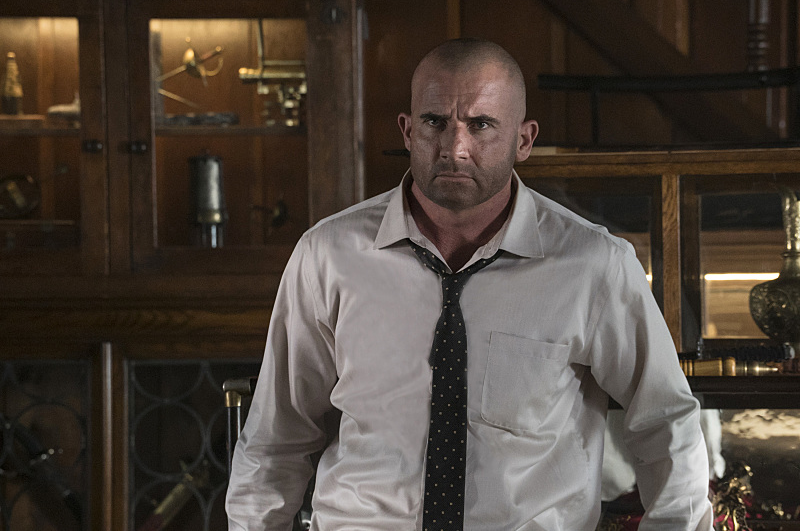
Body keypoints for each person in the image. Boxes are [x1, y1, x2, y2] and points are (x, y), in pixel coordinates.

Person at [226, 38, 714, 530]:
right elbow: (276, 440)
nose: (454, 148)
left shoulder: (593, 265)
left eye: (480, 124)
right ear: (407, 130)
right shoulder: (328, 255)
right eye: (434, 122)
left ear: (524, 140)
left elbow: (665, 423)